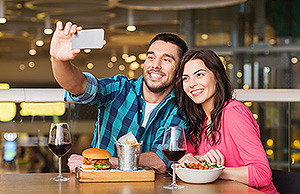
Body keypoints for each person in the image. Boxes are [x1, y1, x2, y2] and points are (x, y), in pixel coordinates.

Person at [49, 21, 188, 173]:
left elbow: (159, 161)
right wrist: (59, 60)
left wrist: (98, 162)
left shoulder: (180, 108)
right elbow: (79, 86)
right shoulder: (120, 88)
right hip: (100, 185)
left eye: (166, 60)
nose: (156, 65)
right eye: (151, 57)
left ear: (179, 71)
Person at [174, 49, 278, 193]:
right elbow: (187, 159)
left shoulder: (233, 112)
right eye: (186, 78)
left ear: (217, 76)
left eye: (199, 75)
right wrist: (199, 159)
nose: (191, 84)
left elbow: (262, 174)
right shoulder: (200, 119)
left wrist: (213, 171)